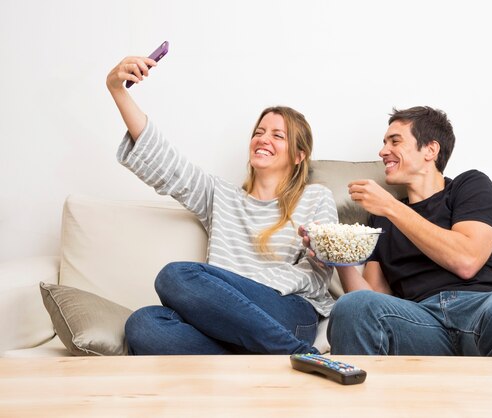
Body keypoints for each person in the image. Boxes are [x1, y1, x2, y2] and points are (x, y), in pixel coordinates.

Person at [105, 54, 337, 355]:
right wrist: (117, 89)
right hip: (225, 321)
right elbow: (164, 161)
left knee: (175, 276)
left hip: (287, 312)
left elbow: (322, 271)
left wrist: (321, 246)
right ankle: (274, 358)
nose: (263, 139)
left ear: (298, 155)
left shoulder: (316, 197)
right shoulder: (220, 195)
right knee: (143, 323)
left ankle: (291, 350)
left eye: (278, 135)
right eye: (259, 132)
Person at [320, 106, 492, 357]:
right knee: (351, 306)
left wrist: (391, 206)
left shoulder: (469, 186)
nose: (383, 152)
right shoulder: (381, 218)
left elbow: (467, 260)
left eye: (395, 141)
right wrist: (335, 253)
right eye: (384, 143)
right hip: (421, 322)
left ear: (430, 149)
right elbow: (374, 296)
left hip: (485, 309)